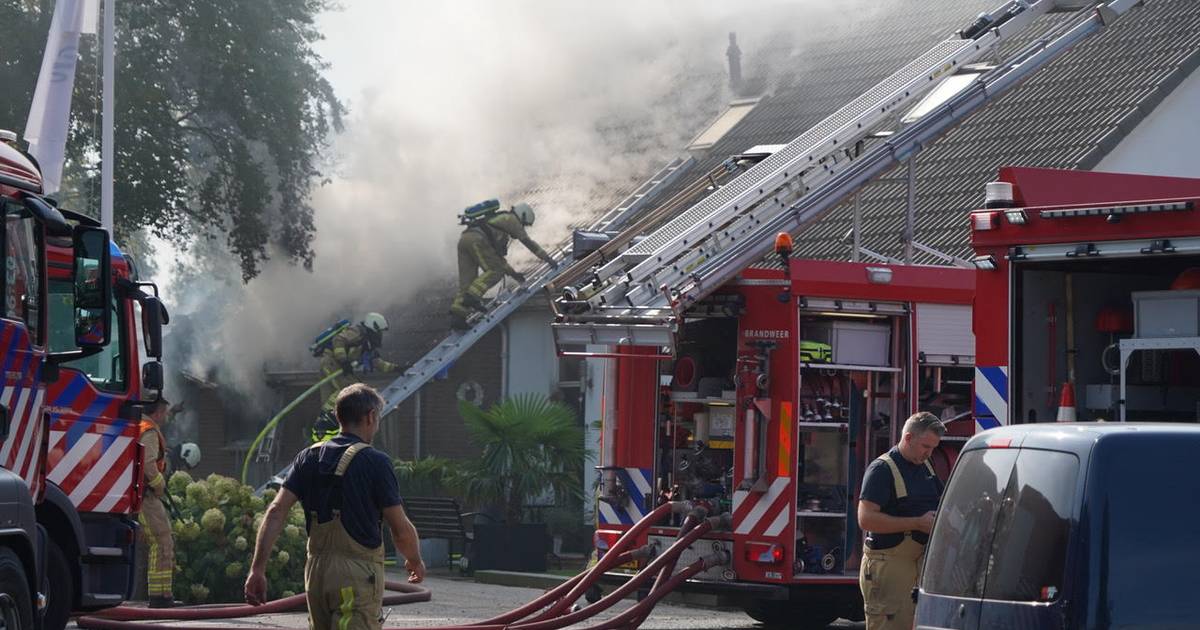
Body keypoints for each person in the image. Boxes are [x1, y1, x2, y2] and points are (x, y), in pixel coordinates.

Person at [245, 384, 425, 630]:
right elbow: (399, 528)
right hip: (357, 574)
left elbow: (276, 512)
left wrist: (257, 569)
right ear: (371, 416)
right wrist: (415, 560)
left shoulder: (307, 457)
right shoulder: (376, 462)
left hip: (316, 574)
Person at [857, 411, 945, 630]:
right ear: (908, 438)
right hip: (889, 565)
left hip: (919, 563)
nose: (929, 453)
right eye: (926, 446)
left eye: (933, 447)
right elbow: (866, 519)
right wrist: (917, 523)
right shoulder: (882, 470)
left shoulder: (926, 465)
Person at [449, 202, 556, 329]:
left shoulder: (497, 225)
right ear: (522, 215)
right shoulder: (511, 220)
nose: (522, 227)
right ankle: (472, 297)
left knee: (467, 282)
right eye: (524, 224)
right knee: (495, 271)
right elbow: (527, 242)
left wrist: (514, 274)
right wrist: (547, 258)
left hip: (465, 240)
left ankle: (458, 318)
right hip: (477, 240)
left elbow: (498, 260)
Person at [313, 313, 399, 443]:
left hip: (336, 366)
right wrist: (343, 360)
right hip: (331, 363)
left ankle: (329, 423)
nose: (380, 335)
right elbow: (338, 340)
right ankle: (326, 419)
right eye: (379, 331)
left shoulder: (367, 343)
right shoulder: (357, 332)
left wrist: (396, 368)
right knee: (349, 390)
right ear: (373, 326)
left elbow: (376, 361)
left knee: (334, 394)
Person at [138, 398, 176, 608]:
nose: (166, 417)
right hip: (148, 496)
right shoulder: (150, 431)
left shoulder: (139, 426)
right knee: (162, 541)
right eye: (166, 412)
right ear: (159, 412)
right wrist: (159, 484)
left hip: (143, 494)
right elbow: (148, 463)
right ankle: (160, 597)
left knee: (162, 541)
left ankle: (162, 595)